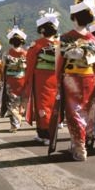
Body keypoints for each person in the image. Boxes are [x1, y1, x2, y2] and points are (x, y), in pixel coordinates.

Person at [57, 0, 95, 161]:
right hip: (89, 77)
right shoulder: (93, 39)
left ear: (74, 17)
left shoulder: (66, 37)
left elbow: (59, 61)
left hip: (71, 78)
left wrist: (58, 79)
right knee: (85, 111)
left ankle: (79, 147)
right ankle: (79, 142)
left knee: (74, 112)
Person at [24, 9, 60, 145]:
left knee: (42, 104)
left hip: (40, 78)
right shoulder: (59, 44)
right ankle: (42, 133)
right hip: (55, 77)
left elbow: (30, 61)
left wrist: (27, 79)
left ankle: (47, 135)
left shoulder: (37, 44)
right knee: (51, 104)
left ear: (42, 30)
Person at [2, 25, 27, 133]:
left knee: (11, 102)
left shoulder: (6, 53)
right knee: (20, 101)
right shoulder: (25, 53)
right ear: (22, 42)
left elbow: (3, 67)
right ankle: (19, 118)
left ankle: (15, 124)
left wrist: (3, 78)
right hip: (22, 79)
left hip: (10, 80)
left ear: (11, 41)